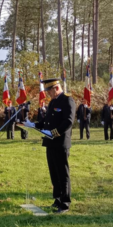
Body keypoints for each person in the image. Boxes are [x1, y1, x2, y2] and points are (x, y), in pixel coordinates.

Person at [24, 78, 76, 213]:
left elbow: (68, 121)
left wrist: (54, 133)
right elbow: (46, 121)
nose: (47, 94)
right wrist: (33, 125)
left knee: (62, 173)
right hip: (50, 142)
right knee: (54, 173)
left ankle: (65, 203)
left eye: (49, 91)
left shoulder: (67, 100)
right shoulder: (53, 102)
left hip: (60, 141)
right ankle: (57, 199)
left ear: (55, 88)